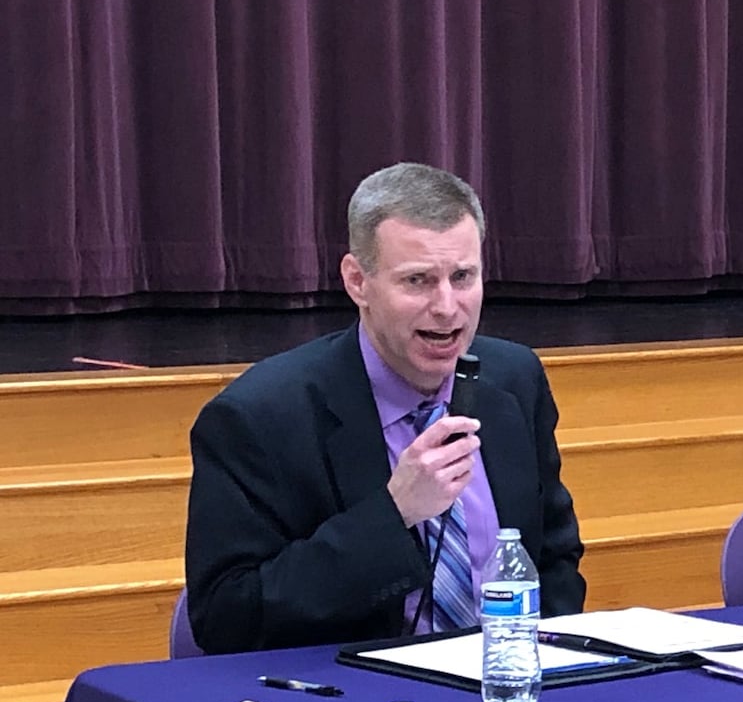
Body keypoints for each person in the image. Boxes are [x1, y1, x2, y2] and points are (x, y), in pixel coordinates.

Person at [185, 162, 584, 654]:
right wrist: (394, 514)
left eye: (463, 276)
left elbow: (555, 557)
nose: (446, 306)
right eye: (417, 281)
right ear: (357, 281)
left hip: (507, 693)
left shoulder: (513, 380)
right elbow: (228, 617)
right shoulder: (259, 417)